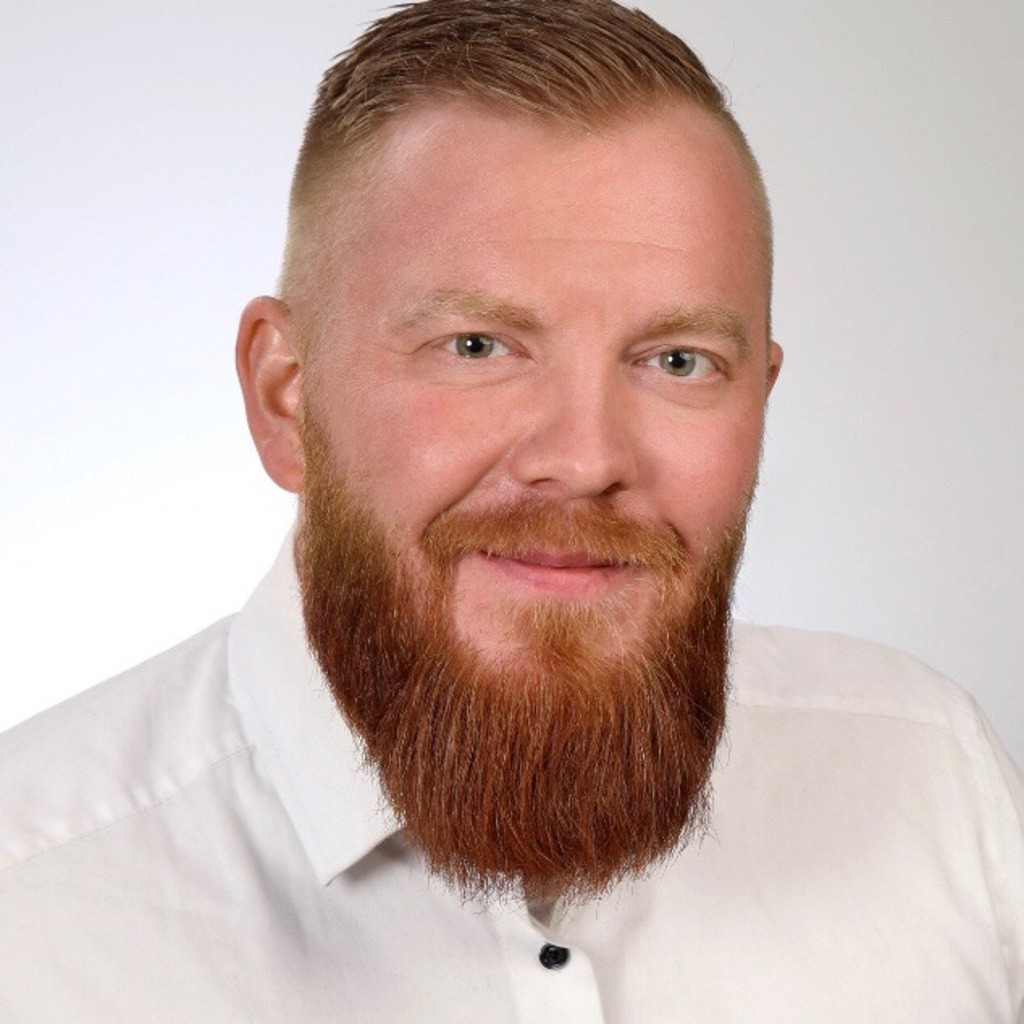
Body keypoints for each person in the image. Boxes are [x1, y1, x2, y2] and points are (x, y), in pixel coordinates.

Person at [0, 0, 1020, 1019]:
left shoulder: (933, 781)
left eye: (678, 361)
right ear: (285, 396)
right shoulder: (31, 909)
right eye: (477, 346)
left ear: (760, 394)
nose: (584, 459)